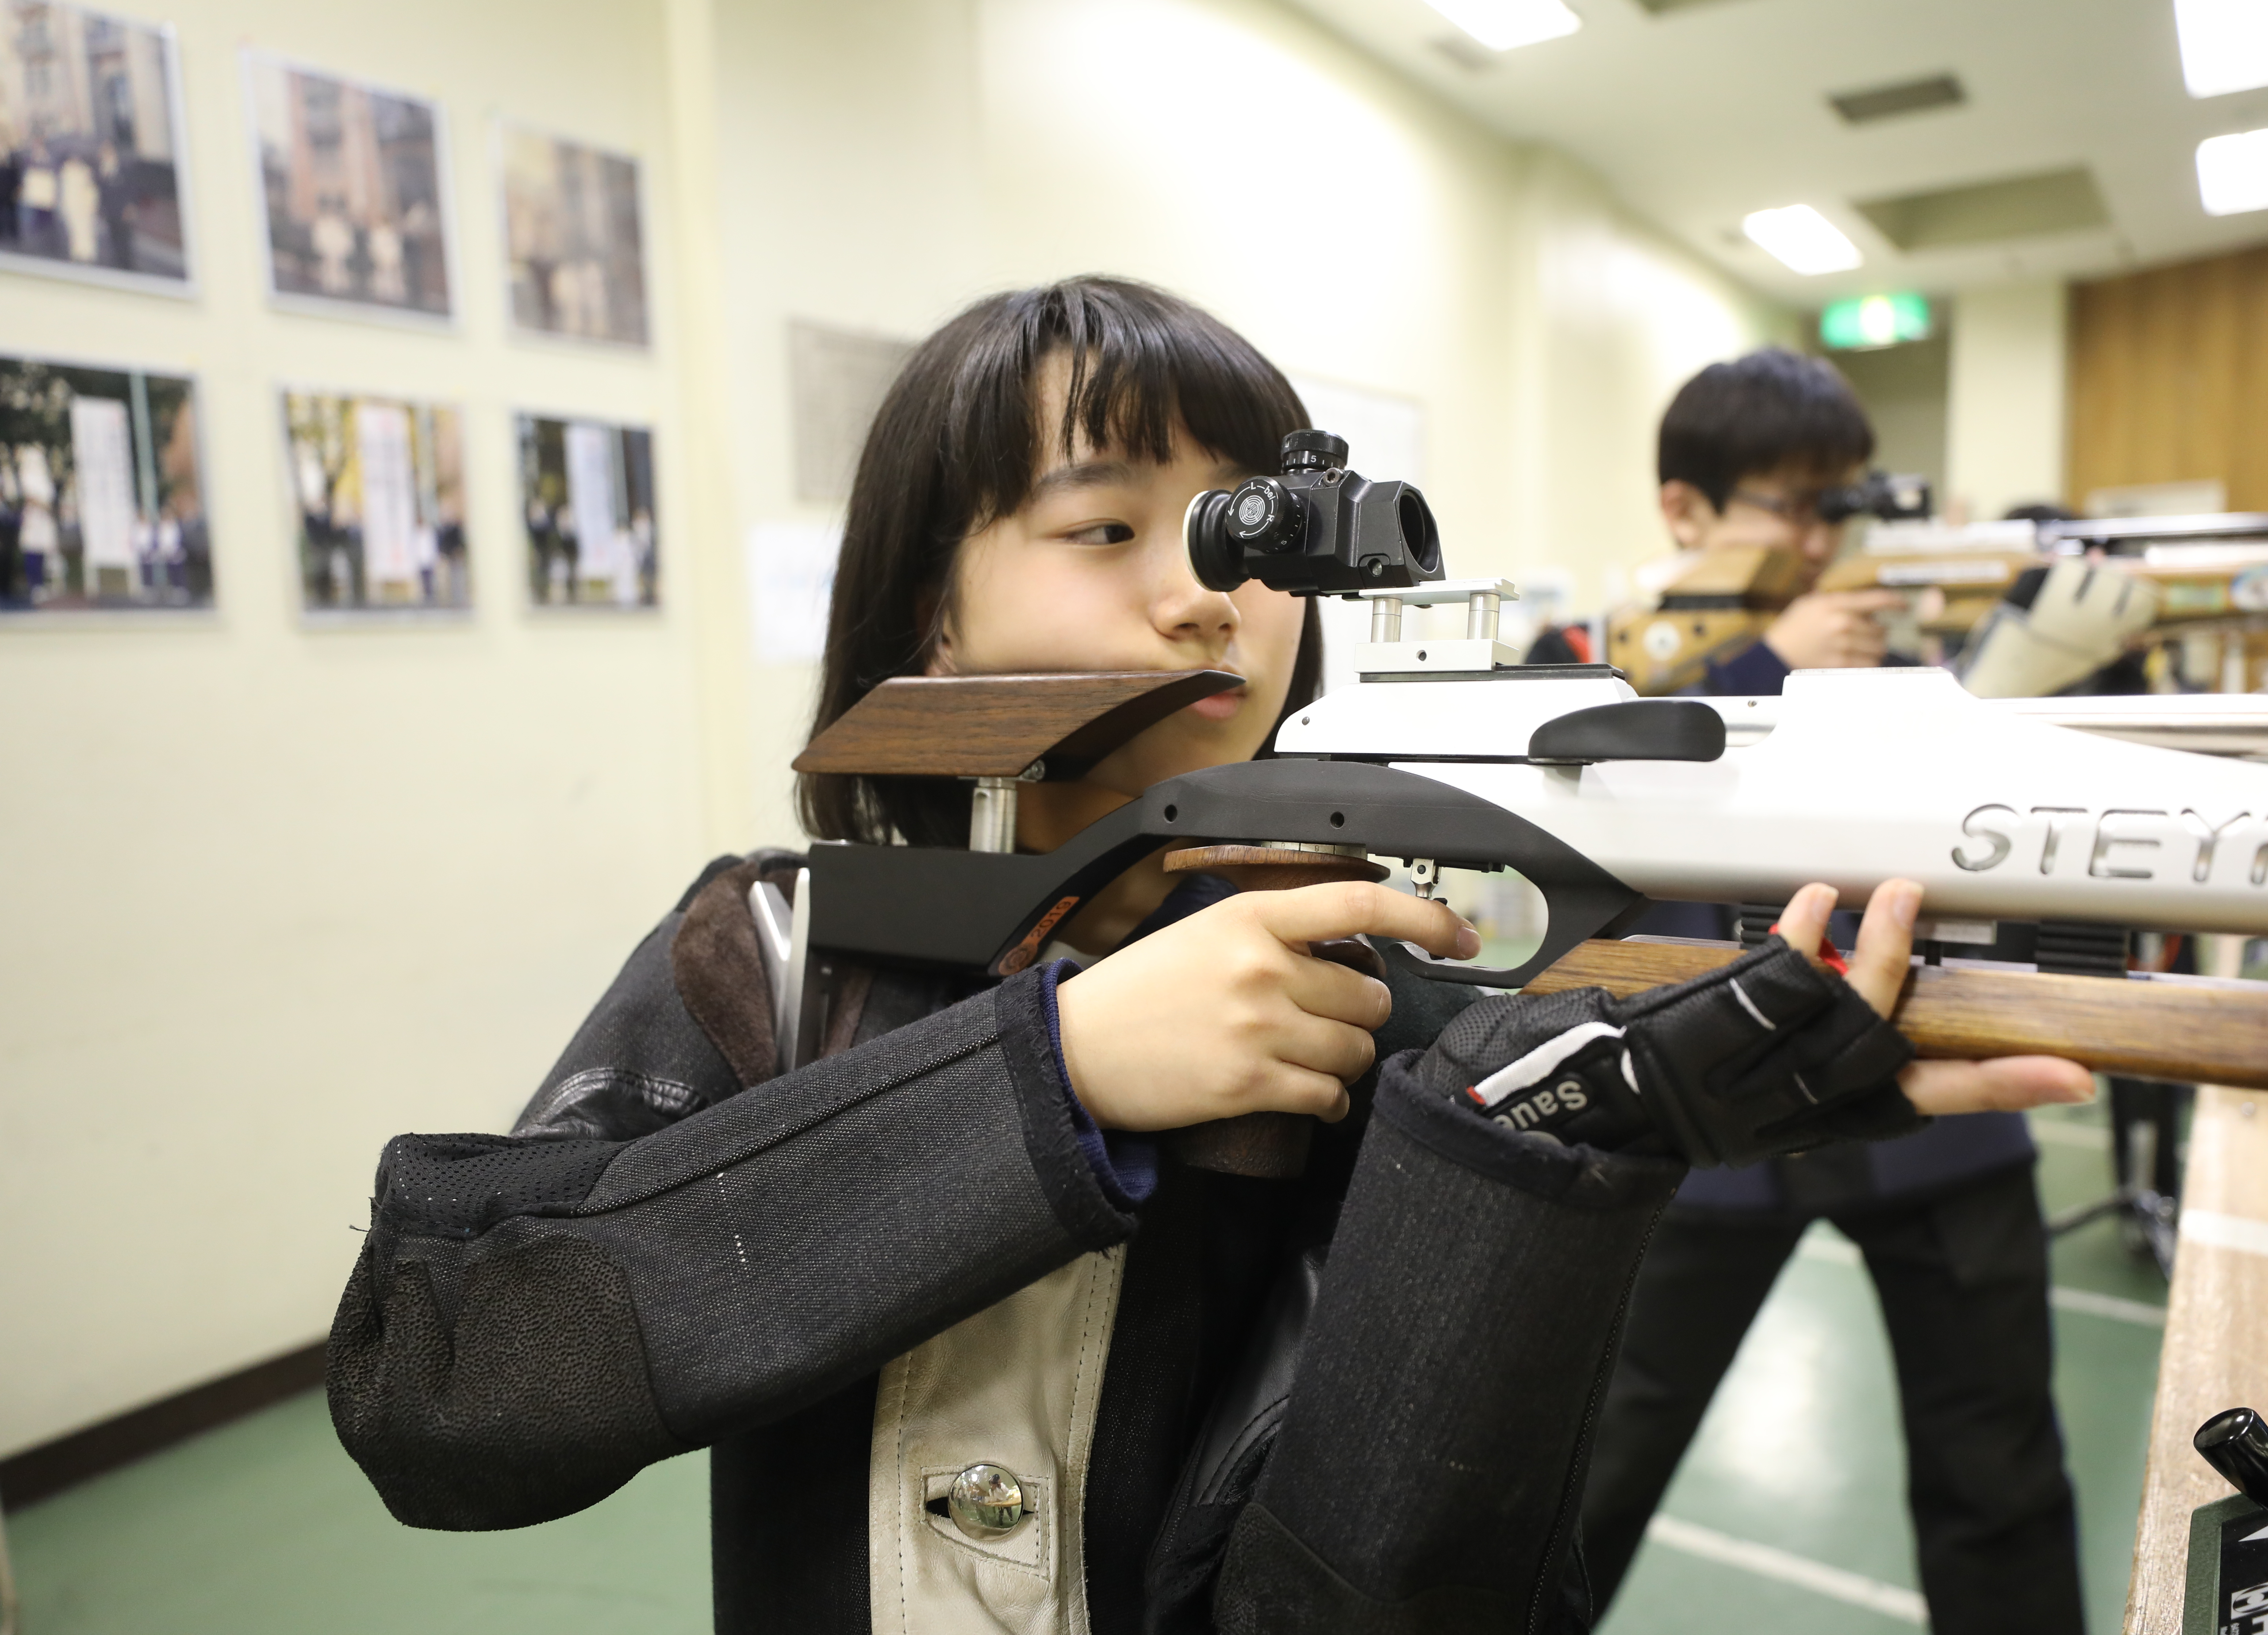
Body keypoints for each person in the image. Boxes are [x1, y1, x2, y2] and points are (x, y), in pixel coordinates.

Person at [325, 282, 2087, 1634]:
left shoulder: (1362, 977)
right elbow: (447, 1384)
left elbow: (1359, 1595)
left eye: (1253, 537)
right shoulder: (780, 949)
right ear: (933, 610)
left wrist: (1545, 1151)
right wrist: (1064, 1071)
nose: (1209, 598)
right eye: (1106, 531)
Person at [1578, 349, 2088, 1635]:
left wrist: (2040, 667)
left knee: (2001, 1476)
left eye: (1841, 505)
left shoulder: (1893, 639)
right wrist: (1765, 664)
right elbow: (1601, 797)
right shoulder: (1594, 648)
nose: (1824, 540)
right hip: (1709, 1102)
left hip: (1943, 1094)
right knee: (1593, 1467)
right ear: (1683, 511)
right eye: (1789, 507)